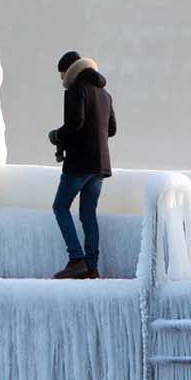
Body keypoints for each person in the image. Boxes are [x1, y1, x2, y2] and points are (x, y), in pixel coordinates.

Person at [48, 50, 116, 279]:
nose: (61, 80)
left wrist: (57, 135)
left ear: (69, 71)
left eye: (61, 74)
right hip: (100, 166)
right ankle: (92, 267)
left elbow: (75, 123)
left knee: (60, 207)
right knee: (88, 214)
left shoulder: (76, 90)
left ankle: (76, 259)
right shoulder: (105, 95)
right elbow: (112, 130)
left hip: (79, 163)